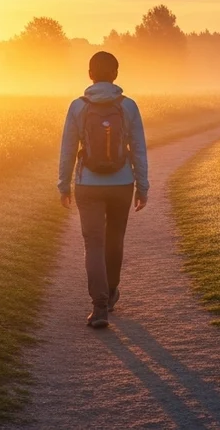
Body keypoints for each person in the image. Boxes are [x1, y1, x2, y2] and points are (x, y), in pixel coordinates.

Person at [57, 51, 149, 329]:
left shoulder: (78, 107)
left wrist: (64, 184)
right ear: (116, 74)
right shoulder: (129, 106)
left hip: (88, 185)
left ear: (90, 74)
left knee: (93, 244)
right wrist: (142, 186)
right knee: (115, 239)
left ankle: (99, 309)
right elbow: (139, 149)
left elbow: (68, 149)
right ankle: (110, 295)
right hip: (122, 184)